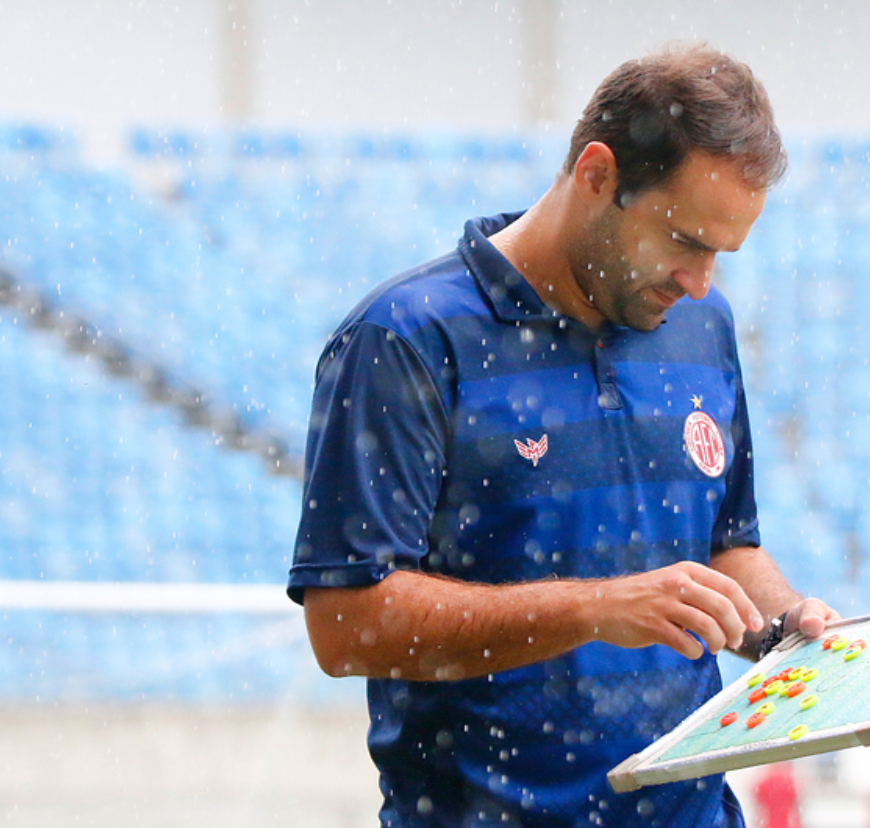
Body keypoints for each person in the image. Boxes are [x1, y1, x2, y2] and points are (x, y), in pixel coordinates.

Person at [288, 42, 838, 828]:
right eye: (685, 241)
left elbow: (724, 547)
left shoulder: (699, 327)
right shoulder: (405, 339)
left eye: (719, 254)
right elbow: (346, 626)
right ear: (596, 177)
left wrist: (783, 625)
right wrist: (591, 609)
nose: (700, 282)